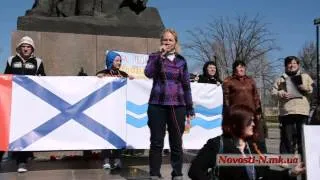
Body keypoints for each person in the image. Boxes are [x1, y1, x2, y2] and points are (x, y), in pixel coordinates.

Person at [188, 104, 305, 180]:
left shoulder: (253, 145)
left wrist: (290, 173)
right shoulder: (217, 144)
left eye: (254, 121)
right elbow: (194, 171)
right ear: (235, 123)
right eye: (249, 122)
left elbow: (265, 175)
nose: (253, 124)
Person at [144, 28, 195, 180]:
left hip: (177, 105)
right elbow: (148, 73)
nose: (167, 42)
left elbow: (186, 85)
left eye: (170, 40)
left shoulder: (181, 61)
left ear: (175, 43)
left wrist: (189, 106)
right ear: (161, 42)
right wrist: (160, 57)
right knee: (156, 141)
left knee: (176, 142)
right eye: (164, 40)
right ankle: (154, 173)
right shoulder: (154, 57)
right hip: (157, 104)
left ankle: (177, 173)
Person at [2, 36, 46, 173]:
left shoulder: (38, 62)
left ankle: (22, 161)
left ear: (32, 48)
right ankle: (16, 157)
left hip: (29, 102)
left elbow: (44, 79)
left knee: (24, 130)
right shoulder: (11, 60)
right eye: (23, 46)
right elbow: (5, 78)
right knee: (9, 130)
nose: (26, 48)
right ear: (19, 48)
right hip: (13, 101)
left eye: (28, 46)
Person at [96, 50, 133, 170]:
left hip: (119, 110)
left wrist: (132, 81)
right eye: (117, 60)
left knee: (118, 134)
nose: (119, 63)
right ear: (110, 61)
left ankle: (117, 159)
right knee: (106, 134)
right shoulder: (102, 73)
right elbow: (95, 86)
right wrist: (98, 78)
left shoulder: (123, 74)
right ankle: (106, 159)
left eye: (120, 60)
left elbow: (130, 88)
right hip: (106, 110)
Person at [271, 56, 313, 155]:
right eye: (289, 63)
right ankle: (286, 162)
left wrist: (305, 88)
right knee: (287, 139)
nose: (292, 65)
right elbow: (273, 93)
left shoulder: (306, 77)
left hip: (302, 112)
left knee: (303, 139)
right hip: (287, 112)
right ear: (285, 66)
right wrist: (281, 93)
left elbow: (313, 91)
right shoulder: (280, 79)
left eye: (294, 63)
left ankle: (304, 163)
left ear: (298, 65)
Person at [222, 60, 267, 151]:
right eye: (239, 67)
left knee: (255, 136)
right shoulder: (228, 81)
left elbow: (256, 96)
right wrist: (228, 112)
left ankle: (260, 160)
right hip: (237, 114)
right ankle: (238, 159)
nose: (241, 68)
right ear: (234, 69)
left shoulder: (250, 80)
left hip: (251, 112)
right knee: (239, 138)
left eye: (243, 66)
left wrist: (258, 111)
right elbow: (225, 98)